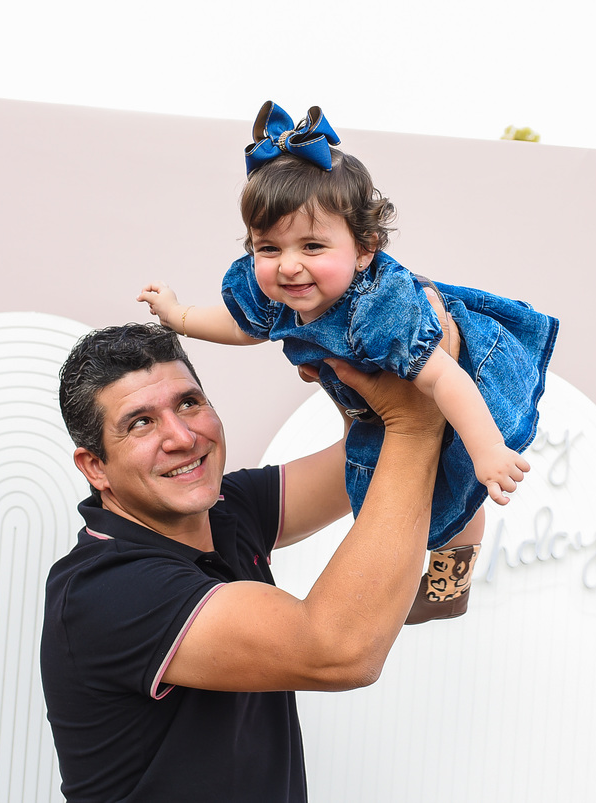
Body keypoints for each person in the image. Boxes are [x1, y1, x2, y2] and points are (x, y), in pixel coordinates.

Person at [138, 100, 560, 624]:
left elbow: (444, 378)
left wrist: (487, 449)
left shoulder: (381, 311)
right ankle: (426, 581)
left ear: (364, 249)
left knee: (457, 482)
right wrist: (179, 316)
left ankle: (452, 578)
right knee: (393, 491)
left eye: (313, 246)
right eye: (268, 248)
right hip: (382, 399)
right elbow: (245, 326)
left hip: (463, 384)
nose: (289, 266)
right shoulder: (278, 291)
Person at [41, 317, 452, 803]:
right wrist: (416, 424)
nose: (182, 437)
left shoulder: (226, 508)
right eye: (141, 423)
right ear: (95, 467)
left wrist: (345, 369)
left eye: (188, 403)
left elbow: (370, 460)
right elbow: (341, 650)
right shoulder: (105, 589)